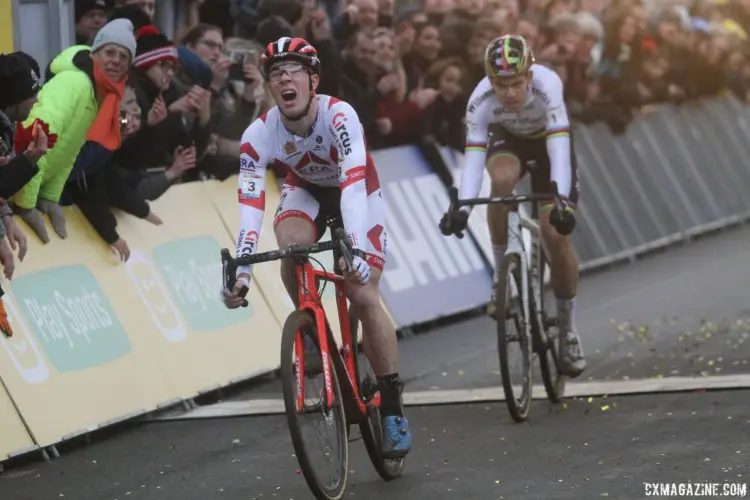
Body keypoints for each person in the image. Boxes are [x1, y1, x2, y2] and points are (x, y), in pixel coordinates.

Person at [221, 36, 412, 459]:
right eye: (275, 73)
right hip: (304, 188)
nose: (283, 79)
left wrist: (356, 251)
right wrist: (243, 272)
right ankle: (311, 330)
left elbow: (352, 186)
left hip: (356, 191)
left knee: (363, 294)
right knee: (291, 247)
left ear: (313, 80)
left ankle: (393, 406)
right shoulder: (259, 132)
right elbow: (251, 207)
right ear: (270, 86)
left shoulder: (339, 115)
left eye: (293, 71)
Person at [438, 34, 586, 378]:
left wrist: (561, 200)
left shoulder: (549, 86)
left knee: (555, 235)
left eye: (517, 84)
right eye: (501, 85)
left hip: (549, 146)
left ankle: (568, 330)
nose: (509, 93)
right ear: (490, 82)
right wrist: (463, 206)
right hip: (509, 141)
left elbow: (561, 151)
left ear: (529, 77)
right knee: (501, 182)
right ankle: (501, 271)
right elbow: (474, 160)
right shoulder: (480, 100)